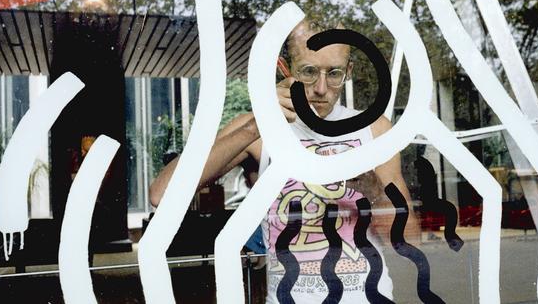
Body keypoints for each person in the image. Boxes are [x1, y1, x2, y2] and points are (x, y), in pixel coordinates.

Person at [149, 19, 418, 302]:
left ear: (348, 71)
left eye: (334, 73)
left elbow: (408, 237)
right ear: (285, 68)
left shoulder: (373, 128)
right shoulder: (258, 130)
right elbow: (162, 193)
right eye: (309, 72)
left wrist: (371, 188)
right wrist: (258, 124)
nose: (321, 88)